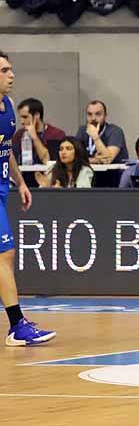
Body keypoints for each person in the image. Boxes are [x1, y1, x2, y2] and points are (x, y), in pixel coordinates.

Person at [0, 55, 55, 344]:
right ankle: (17, 325)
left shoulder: (8, 107)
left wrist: (20, 182)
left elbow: (5, 148)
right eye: (4, 70)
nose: (11, 75)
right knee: (4, 255)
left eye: (11, 69)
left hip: (2, 186)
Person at [12, 97, 64, 165]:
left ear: (37, 115)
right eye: (20, 117)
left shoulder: (56, 134)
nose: (21, 122)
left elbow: (49, 162)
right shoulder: (19, 134)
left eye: (25, 117)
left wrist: (35, 137)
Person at [74, 99, 127, 165]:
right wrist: (95, 160)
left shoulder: (115, 131)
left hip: (112, 173)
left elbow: (107, 160)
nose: (93, 118)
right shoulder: (82, 130)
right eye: (89, 114)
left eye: (98, 114)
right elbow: (74, 157)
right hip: (89, 173)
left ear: (105, 116)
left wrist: (95, 137)